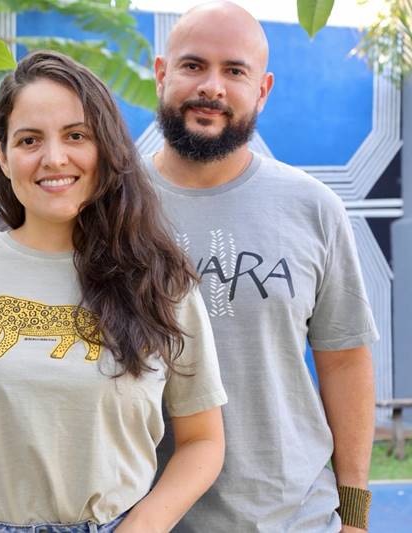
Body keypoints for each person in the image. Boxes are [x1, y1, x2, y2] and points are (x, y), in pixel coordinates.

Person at [0, 51, 227, 533]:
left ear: (105, 148)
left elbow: (203, 439)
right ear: (2, 156)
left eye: (76, 135)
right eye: (29, 140)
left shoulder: (159, 280)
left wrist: (142, 526)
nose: (54, 158)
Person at [147, 2, 378, 532]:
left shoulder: (313, 207)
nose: (212, 86)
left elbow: (343, 360)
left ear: (263, 90)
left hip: (293, 518)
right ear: (162, 74)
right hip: (145, 518)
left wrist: (355, 515)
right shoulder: (111, 208)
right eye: (192, 66)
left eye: (234, 71)